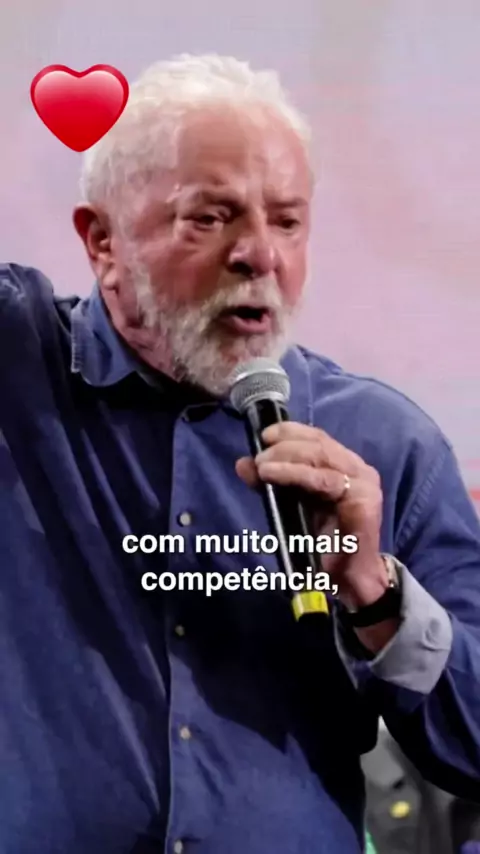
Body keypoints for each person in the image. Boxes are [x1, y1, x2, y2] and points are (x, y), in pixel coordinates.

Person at [0, 53, 479, 854]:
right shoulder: (19, 367)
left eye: (287, 221)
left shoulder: (385, 444)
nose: (260, 254)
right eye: (210, 217)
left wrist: (375, 595)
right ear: (103, 241)